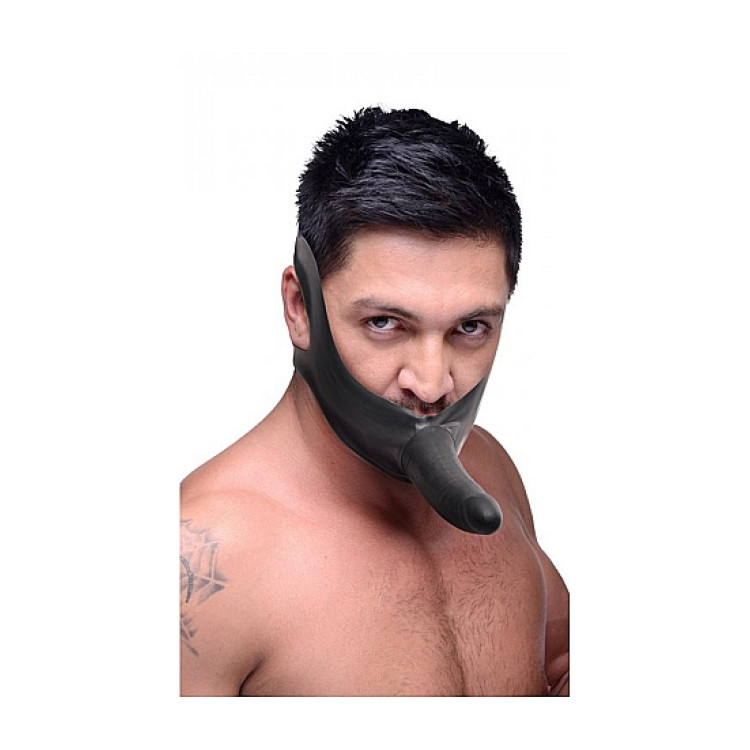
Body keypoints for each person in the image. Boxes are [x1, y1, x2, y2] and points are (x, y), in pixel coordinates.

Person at [180, 107, 569, 696]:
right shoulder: (203, 562)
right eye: (385, 323)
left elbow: (557, 665)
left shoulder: (488, 468)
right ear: (300, 307)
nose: (432, 384)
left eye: (470, 328)